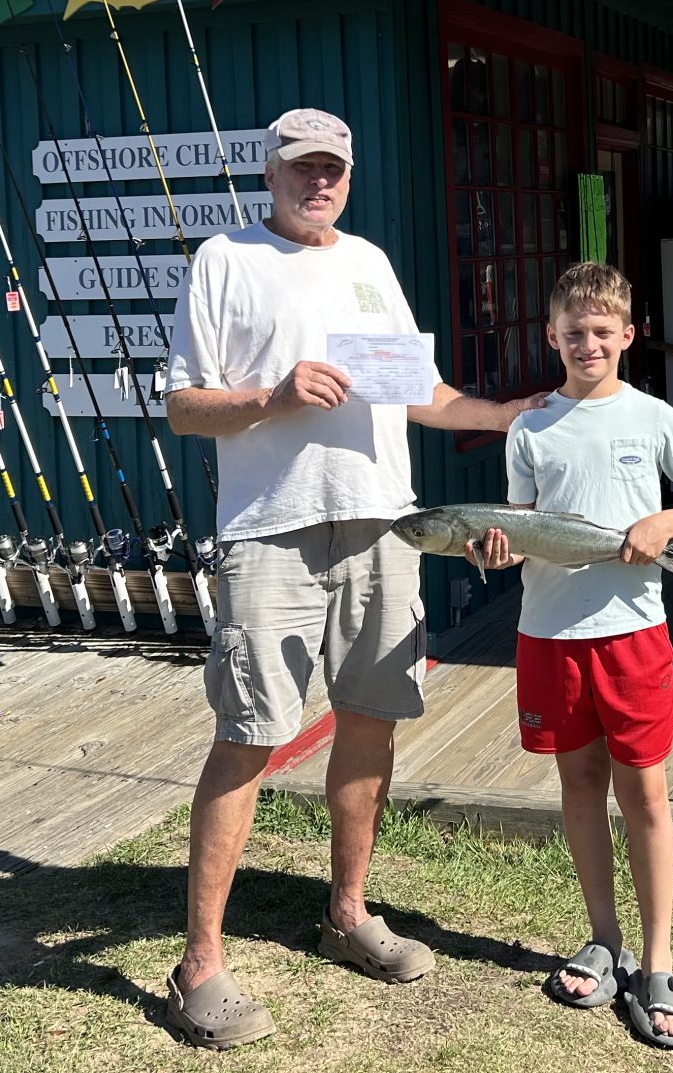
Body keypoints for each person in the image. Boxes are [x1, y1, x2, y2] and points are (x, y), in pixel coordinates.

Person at [161, 107, 542, 1050]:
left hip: (383, 523)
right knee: (250, 735)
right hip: (270, 533)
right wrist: (272, 397)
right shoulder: (225, 259)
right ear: (270, 172)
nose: (318, 182)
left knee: (371, 722)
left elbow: (421, 391)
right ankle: (199, 965)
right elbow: (182, 406)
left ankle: (347, 913)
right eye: (301, 168)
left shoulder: (369, 263)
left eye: (333, 168)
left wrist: (505, 416)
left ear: (350, 173)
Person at [467, 261, 673, 1051]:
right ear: (550, 336)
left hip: (633, 636)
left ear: (628, 335)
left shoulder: (654, 418)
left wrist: (666, 525)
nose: (587, 343)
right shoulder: (529, 428)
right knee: (579, 785)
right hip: (549, 638)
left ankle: (658, 962)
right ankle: (603, 939)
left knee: (646, 796)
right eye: (572, 332)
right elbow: (516, 534)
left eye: (601, 331)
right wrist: (492, 552)